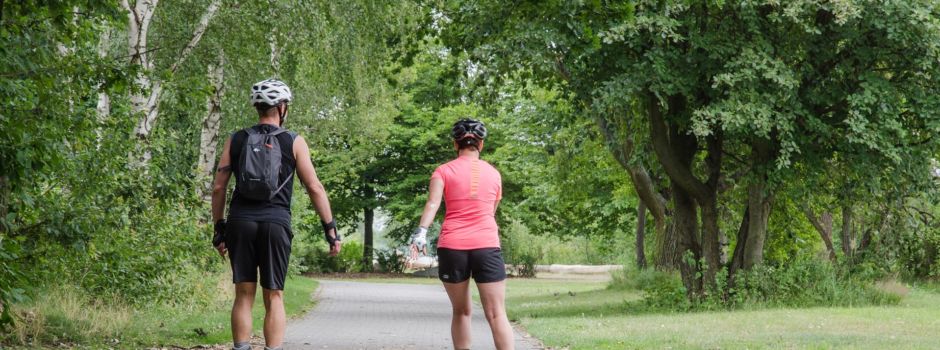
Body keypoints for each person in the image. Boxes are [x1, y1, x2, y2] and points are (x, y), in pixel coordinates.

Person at [211, 79, 341, 350]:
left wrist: (219, 227)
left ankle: (241, 347)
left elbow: (219, 187)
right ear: (282, 107)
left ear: (257, 107)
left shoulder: (236, 139)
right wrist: (330, 228)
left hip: (240, 221)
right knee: (274, 295)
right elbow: (314, 187)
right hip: (276, 222)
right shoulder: (294, 141)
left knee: (243, 293)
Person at [416, 118, 513, 350]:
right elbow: (491, 211)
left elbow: (432, 204)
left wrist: (420, 233)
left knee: (461, 311)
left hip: (452, 246)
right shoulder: (494, 173)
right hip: (486, 245)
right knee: (497, 313)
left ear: (455, 144)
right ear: (481, 144)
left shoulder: (442, 171)